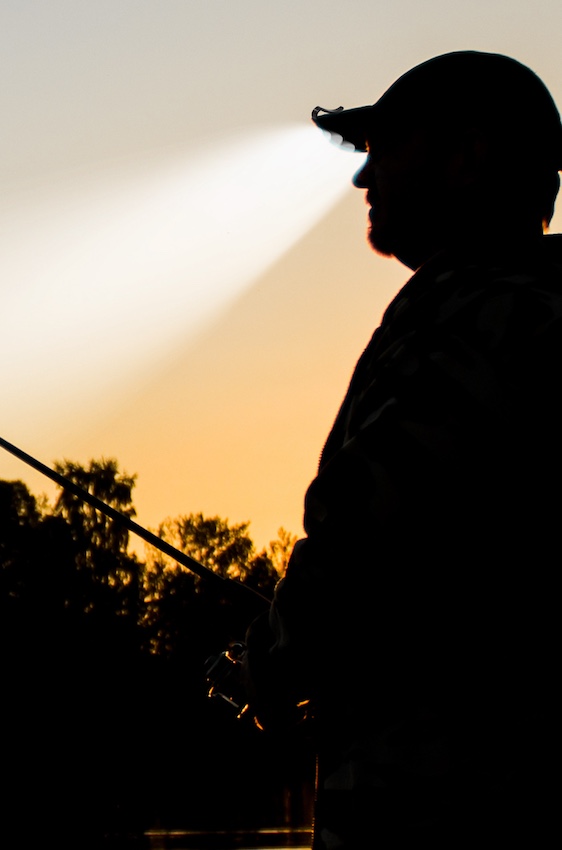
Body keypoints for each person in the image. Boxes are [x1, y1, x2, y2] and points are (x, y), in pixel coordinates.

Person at [244, 51, 562, 849]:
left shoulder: (476, 317)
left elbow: (364, 534)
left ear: (466, 158)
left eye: (386, 148)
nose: (362, 179)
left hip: (446, 804)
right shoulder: (538, 307)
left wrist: (274, 658)